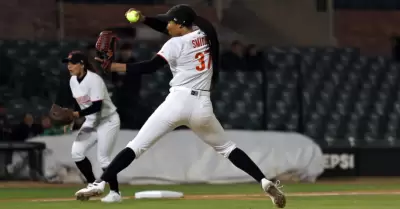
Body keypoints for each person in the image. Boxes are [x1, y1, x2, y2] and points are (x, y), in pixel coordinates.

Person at [75, 4, 286, 208]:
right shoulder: (206, 35)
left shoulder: (174, 44)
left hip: (178, 101)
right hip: (202, 105)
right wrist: (145, 19)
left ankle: (99, 184)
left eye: (170, 22)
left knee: (136, 146)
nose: (166, 26)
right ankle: (264, 181)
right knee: (228, 148)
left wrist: (112, 66)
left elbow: (149, 67)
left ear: (180, 24)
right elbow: (174, 25)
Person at [60, 51, 122, 203]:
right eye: (68, 63)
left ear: (82, 64)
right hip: (91, 121)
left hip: (108, 121)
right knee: (77, 153)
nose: (69, 66)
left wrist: (76, 115)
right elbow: (78, 102)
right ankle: (92, 185)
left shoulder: (94, 80)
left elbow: (97, 106)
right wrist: (72, 120)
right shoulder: (73, 80)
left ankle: (115, 193)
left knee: (103, 158)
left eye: (72, 63)